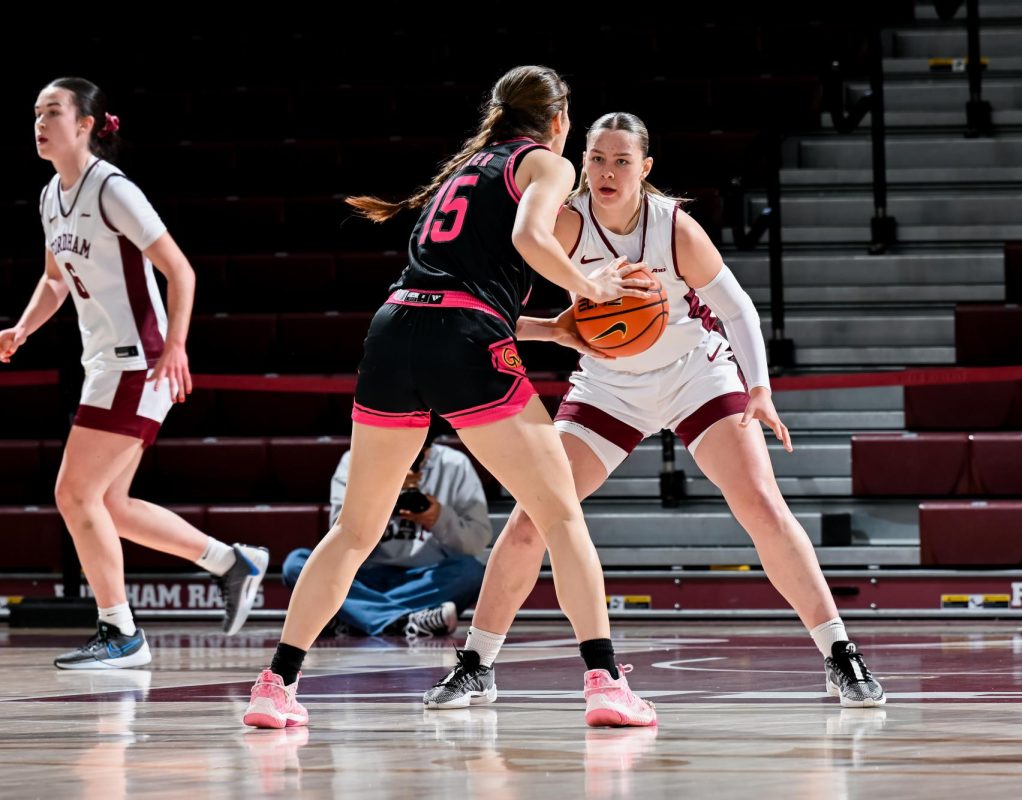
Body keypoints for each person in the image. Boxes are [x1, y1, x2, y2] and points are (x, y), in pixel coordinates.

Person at [422, 112, 886, 710]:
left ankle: (839, 654)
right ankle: (476, 664)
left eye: (621, 161)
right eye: (596, 159)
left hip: (695, 373)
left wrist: (760, 387)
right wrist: (557, 332)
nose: (607, 172)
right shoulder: (561, 227)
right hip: (608, 385)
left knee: (762, 504)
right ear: (581, 164)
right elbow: (490, 310)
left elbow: (738, 307)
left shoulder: (674, 229)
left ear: (645, 168)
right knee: (532, 518)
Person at [242, 66, 658, 730]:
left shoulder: (467, 168)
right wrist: (593, 286)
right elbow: (528, 241)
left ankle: (275, 685)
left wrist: (554, 329)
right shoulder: (545, 165)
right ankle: (605, 682)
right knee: (560, 516)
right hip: (461, 340)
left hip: (395, 330)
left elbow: (458, 289)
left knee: (354, 531)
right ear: (557, 121)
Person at [0, 77, 268, 669]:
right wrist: (22, 329)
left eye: (52, 112)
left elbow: (181, 270)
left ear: (87, 123)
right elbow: (53, 280)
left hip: (137, 362)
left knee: (73, 493)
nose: (39, 124)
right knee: (110, 506)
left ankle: (121, 632)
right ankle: (232, 562)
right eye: (35, 114)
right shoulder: (51, 196)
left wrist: (176, 346)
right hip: (104, 364)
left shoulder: (111, 188)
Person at [282, 425, 490, 637]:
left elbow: (477, 540)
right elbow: (341, 535)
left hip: (425, 577)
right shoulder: (354, 460)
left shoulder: (455, 464)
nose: (412, 460)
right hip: (363, 576)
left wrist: (439, 518)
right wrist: (385, 491)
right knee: (297, 563)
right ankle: (403, 621)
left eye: (420, 452)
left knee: (471, 572)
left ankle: (357, 617)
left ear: (430, 446)